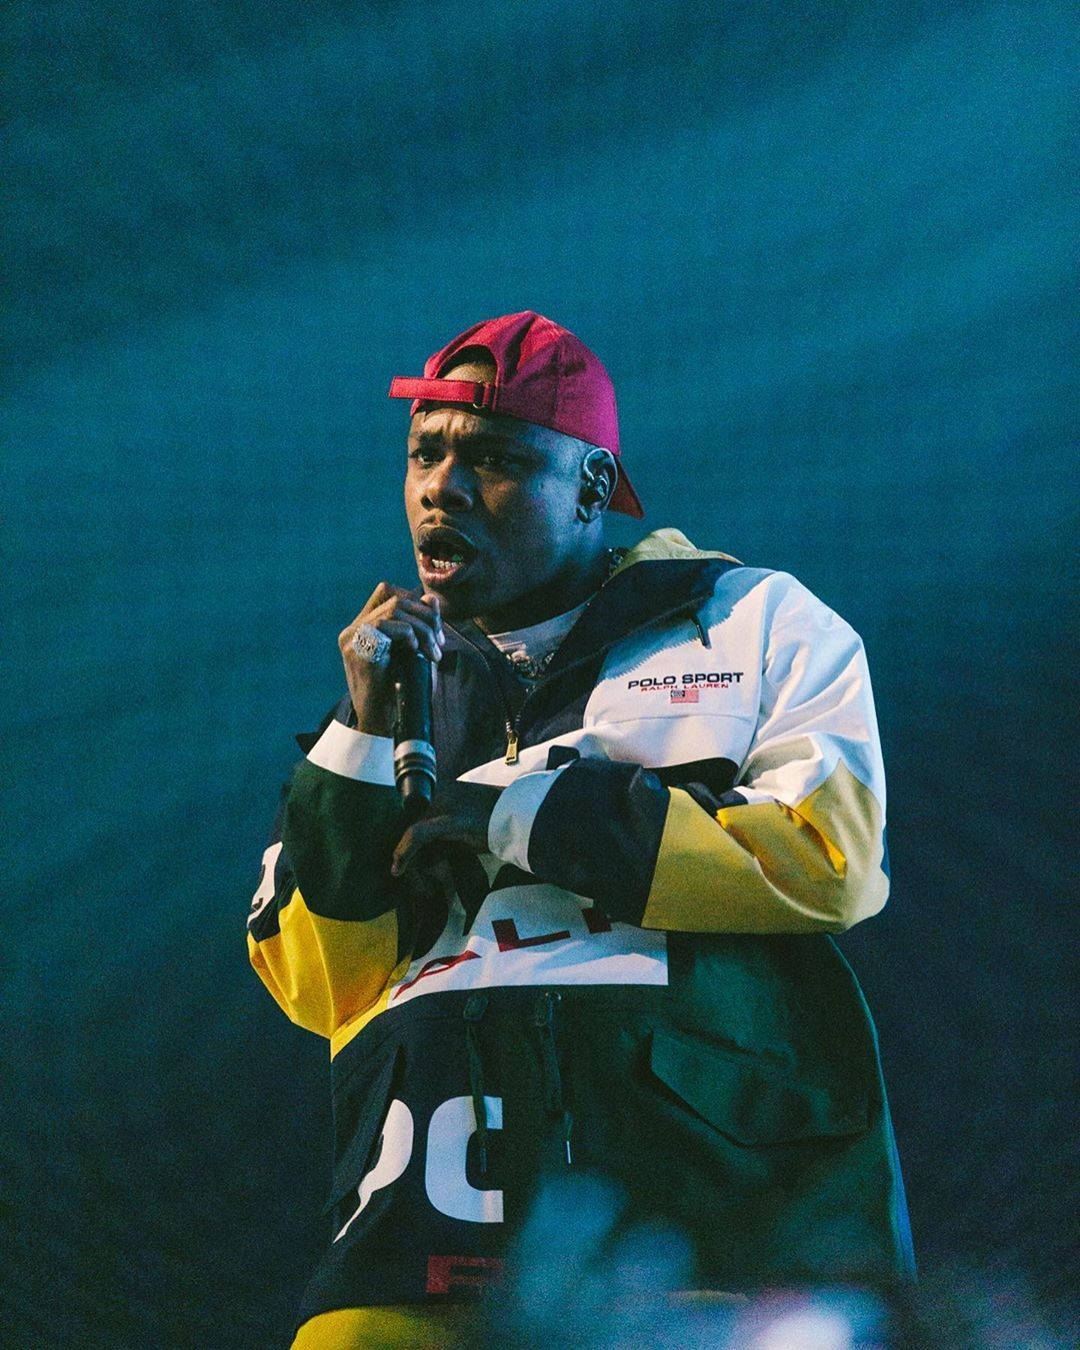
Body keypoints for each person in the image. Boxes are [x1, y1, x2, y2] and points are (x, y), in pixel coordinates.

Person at [247, 311, 915, 1348]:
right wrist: (359, 749)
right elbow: (313, 984)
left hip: (705, 1223)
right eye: (425, 453)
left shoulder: (749, 618)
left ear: (594, 489)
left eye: (496, 458)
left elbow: (832, 858)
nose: (444, 487)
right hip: (410, 1237)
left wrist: (517, 813)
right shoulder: (382, 694)